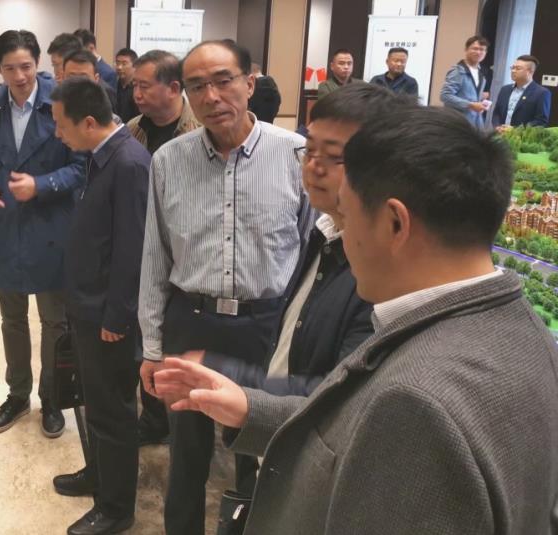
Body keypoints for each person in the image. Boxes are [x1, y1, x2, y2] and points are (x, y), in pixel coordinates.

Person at [155, 104, 558, 534]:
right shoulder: (527, 332)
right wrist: (252, 408)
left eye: (346, 217)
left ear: (395, 222)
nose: (341, 240)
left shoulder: (416, 399)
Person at [138, 40, 311, 535]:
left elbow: (308, 252)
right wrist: (151, 347)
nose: (211, 96)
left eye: (223, 81)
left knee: (262, 450)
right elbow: (155, 257)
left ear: (249, 83)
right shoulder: (168, 160)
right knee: (187, 453)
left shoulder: (295, 154)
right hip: (190, 321)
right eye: (197, 86)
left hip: (265, 325)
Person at [200, 84, 404, 398]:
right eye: (309, 150)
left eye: (334, 156)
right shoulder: (323, 233)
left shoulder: (380, 268)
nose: (313, 167)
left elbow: (342, 396)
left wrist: (235, 382)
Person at [0, 30, 85, 439]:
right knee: (12, 319)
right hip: (6, 226)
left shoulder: (62, 104)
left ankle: (52, 398)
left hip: (52, 227)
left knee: (54, 321)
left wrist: (41, 184)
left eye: (26, 67)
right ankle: (17, 395)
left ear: (39, 64)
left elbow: (81, 167)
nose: (19, 76)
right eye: (10, 68)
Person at [49, 77, 150, 535]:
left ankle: (116, 508)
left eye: (61, 125)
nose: (58, 134)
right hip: (87, 304)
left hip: (108, 316)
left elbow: (133, 249)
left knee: (113, 410)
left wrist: (118, 316)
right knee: (95, 402)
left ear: (88, 122)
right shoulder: (101, 155)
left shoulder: (129, 163)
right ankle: (98, 474)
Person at [124, 49, 200, 446]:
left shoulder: (199, 131)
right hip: (141, 249)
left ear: (173, 88)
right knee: (146, 337)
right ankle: (153, 416)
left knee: (181, 342)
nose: (136, 93)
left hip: (186, 254)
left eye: (143, 86)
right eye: (133, 85)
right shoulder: (132, 130)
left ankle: (191, 420)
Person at [440, 35, 490, 129]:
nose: (478, 52)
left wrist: (480, 103)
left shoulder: (481, 74)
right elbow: (445, 96)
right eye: (475, 49)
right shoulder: (458, 71)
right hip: (457, 124)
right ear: (466, 49)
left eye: (482, 49)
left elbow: (469, 96)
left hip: (475, 124)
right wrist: (471, 105)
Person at [492, 54, 552, 130]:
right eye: (512, 67)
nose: (513, 71)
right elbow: (497, 113)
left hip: (521, 136)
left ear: (530, 72)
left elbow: (541, 121)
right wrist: (497, 127)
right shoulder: (505, 89)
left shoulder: (542, 93)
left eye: (518, 68)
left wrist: (515, 129)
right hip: (500, 134)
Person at [62, 49, 118, 113]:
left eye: (84, 78)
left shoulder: (105, 97)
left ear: (96, 79)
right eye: (72, 77)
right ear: (63, 78)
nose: (77, 82)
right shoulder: (58, 102)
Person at [114, 48, 140, 123]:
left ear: (134, 66)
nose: (119, 67)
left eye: (124, 64)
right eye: (117, 63)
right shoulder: (113, 86)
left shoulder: (138, 89)